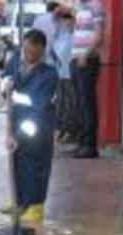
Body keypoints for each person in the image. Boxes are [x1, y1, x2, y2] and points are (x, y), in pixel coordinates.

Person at [0, 29, 59, 223]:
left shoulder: (49, 75)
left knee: (34, 164)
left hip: (36, 127)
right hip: (15, 119)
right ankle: (19, 201)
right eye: (25, 49)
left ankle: (35, 205)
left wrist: (18, 137)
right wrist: (5, 84)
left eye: (32, 51)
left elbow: (39, 110)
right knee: (17, 162)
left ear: (42, 50)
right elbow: (6, 76)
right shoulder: (17, 61)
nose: (28, 54)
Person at [71, 0, 104, 158]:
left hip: (87, 60)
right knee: (79, 103)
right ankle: (81, 143)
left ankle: (90, 146)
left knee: (87, 103)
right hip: (76, 59)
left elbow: (99, 35)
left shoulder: (96, 4)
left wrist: (86, 54)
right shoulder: (80, 6)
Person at [54, 11, 77, 143]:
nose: (66, 25)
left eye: (68, 22)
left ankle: (70, 131)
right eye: (63, 23)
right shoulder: (61, 36)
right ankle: (63, 129)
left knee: (70, 104)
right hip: (61, 74)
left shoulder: (73, 37)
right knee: (61, 103)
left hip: (70, 75)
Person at [32, 1, 61, 66]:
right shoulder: (55, 20)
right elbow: (53, 38)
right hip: (49, 53)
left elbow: (33, 32)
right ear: (56, 9)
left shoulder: (38, 18)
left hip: (38, 49)